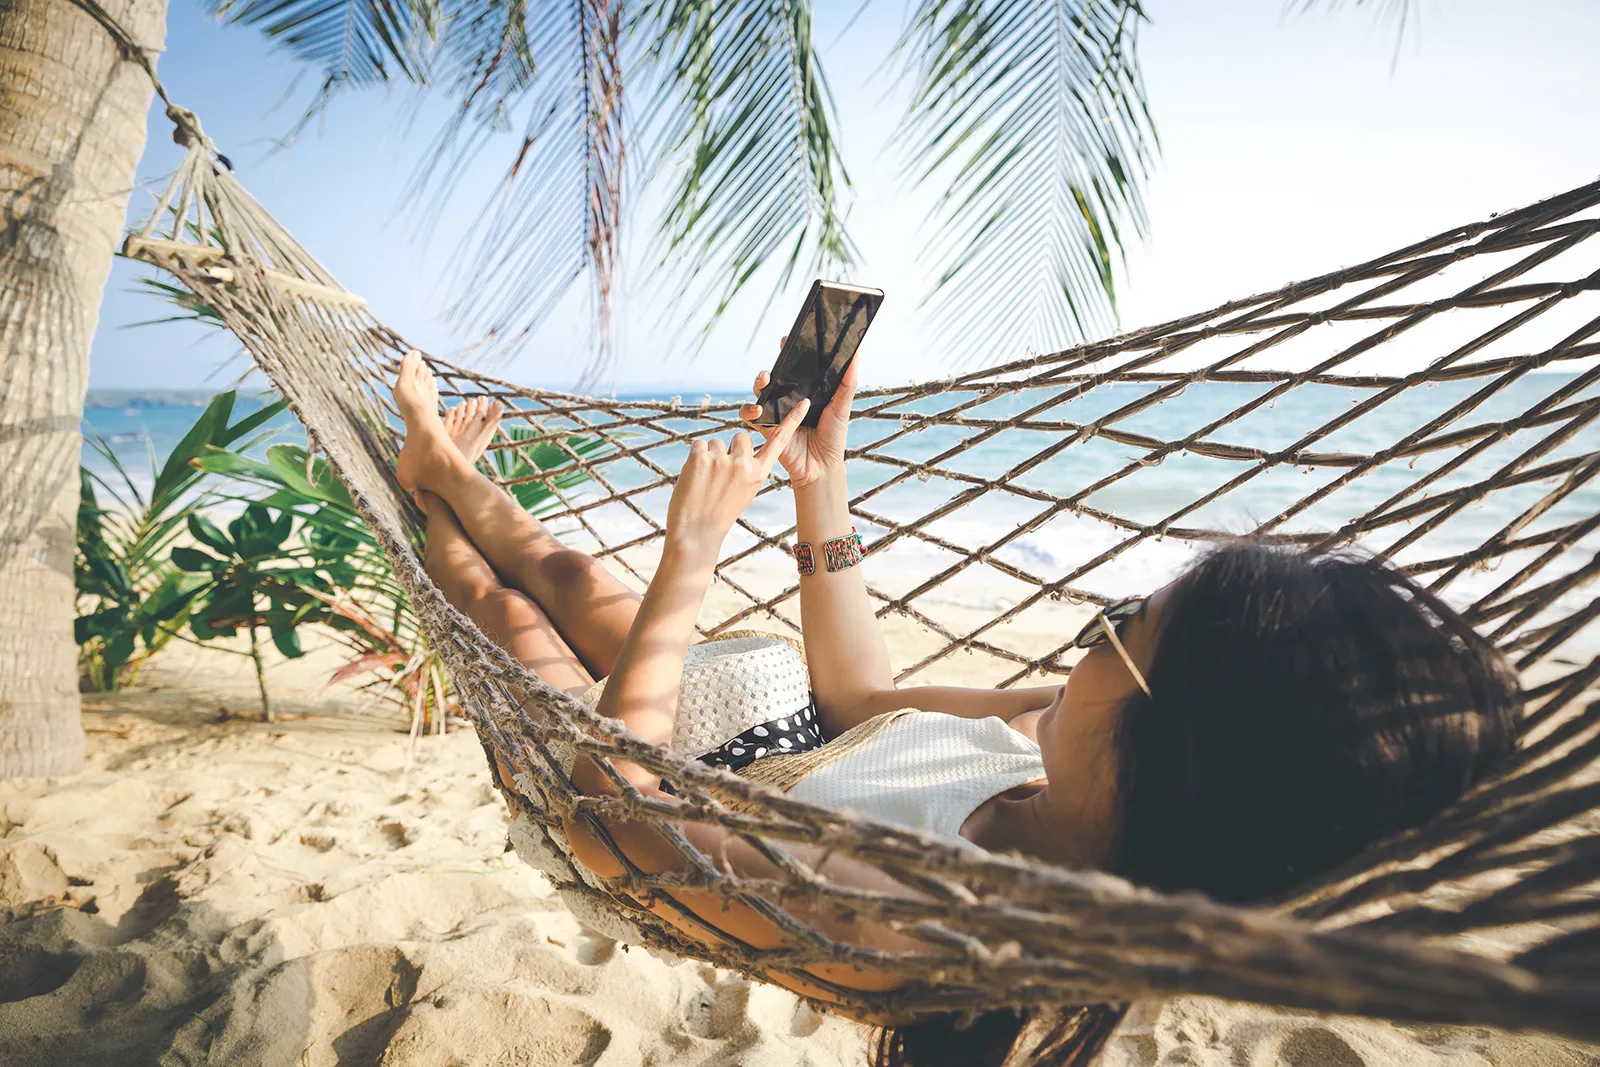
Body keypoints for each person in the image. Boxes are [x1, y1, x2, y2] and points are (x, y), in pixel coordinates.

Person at [390, 350, 1521, 1067]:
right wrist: (821, 479)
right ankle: (440, 463)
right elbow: (862, 699)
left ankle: (429, 493)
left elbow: (619, 821)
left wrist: (692, 554)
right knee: (576, 575)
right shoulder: (1058, 740)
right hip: (765, 709)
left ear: (1168, 748)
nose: (1090, 636)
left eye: (1123, 624)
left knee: (510, 615)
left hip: (652, 784)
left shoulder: (929, 927)